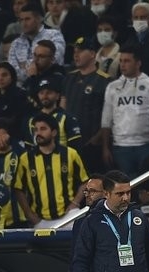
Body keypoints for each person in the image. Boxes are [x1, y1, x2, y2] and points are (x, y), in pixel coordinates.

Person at [13, 113, 88, 227]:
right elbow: (18, 189)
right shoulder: (25, 159)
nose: (38, 133)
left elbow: (85, 181)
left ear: (54, 132)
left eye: (43, 129)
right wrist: (29, 214)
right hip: (40, 220)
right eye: (36, 130)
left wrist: (75, 203)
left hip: (68, 216)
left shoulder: (70, 154)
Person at [101, 44, 149, 177]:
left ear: (138, 63)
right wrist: (105, 148)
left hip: (146, 145)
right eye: (121, 61)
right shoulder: (112, 87)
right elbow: (106, 120)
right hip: (120, 147)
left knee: (147, 182)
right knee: (125, 184)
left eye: (127, 61)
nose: (122, 65)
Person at [62, 36, 112, 173]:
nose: (76, 55)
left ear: (92, 54)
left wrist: (97, 139)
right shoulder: (69, 78)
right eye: (74, 51)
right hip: (70, 142)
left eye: (80, 51)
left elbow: (109, 115)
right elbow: (62, 107)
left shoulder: (105, 81)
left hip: (92, 144)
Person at [8, 3, 66, 86]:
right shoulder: (16, 43)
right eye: (21, 20)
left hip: (50, 84)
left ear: (39, 19)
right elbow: (12, 72)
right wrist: (32, 68)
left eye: (27, 19)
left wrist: (24, 65)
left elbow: (54, 61)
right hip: (23, 88)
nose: (23, 23)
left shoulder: (54, 35)